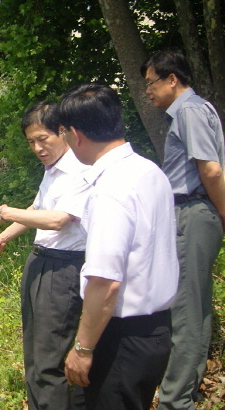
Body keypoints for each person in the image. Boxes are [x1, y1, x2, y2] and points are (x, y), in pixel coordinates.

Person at [59, 83, 179, 410]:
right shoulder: (149, 171)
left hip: (122, 338)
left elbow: (105, 280)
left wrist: (83, 349)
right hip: (155, 330)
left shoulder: (111, 188)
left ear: (76, 135)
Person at [0, 101, 89, 410]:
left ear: (63, 131)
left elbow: (58, 219)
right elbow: (37, 209)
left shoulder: (79, 169)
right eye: (31, 142)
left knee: (48, 361)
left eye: (43, 139)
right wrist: (3, 237)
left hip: (63, 268)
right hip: (41, 262)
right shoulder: (53, 170)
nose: (37, 148)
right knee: (34, 352)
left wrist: (6, 212)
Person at [140, 50, 225, 410]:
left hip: (192, 210)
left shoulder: (189, 111)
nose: (148, 91)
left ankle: (175, 402)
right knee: (194, 308)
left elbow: (211, 170)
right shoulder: (195, 110)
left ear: (172, 79)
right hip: (192, 211)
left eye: (151, 83)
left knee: (187, 312)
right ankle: (181, 395)